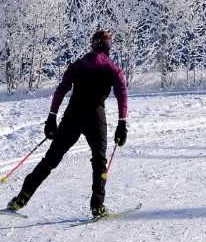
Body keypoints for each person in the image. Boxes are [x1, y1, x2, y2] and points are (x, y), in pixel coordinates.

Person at [7, 30, 128, 218]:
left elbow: (61, 90)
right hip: (96, 117)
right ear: (107, 47)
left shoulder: (77, 65)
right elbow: (122, 95)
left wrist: (52, 117)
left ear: (92, 45)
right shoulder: (113, 69)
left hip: (73, 116)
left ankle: (23, 196)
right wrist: (122, 123)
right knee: (99, 161)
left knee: (50, 159)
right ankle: (97, 205)